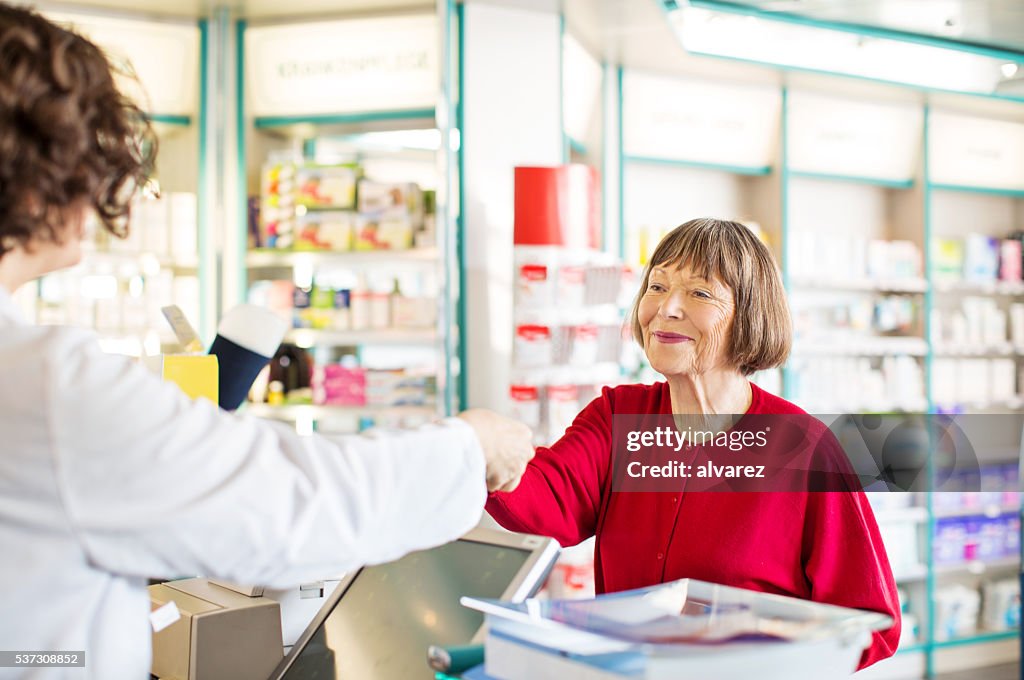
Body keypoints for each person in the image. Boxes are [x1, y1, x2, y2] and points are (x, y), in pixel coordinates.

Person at [0, 6, 534, 678]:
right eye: (92, 151)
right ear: (42, 171)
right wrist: (470, 443)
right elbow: (294, 508)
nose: (107, 183)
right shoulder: (46, 386)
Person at [487, 218, 902, 669]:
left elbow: (870, 622)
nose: (666, 309)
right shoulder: (618, 418)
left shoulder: (804, 449)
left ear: (749, 314)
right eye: (658, 286)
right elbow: (545, 501)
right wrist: (479, 452)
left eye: (699, 293)